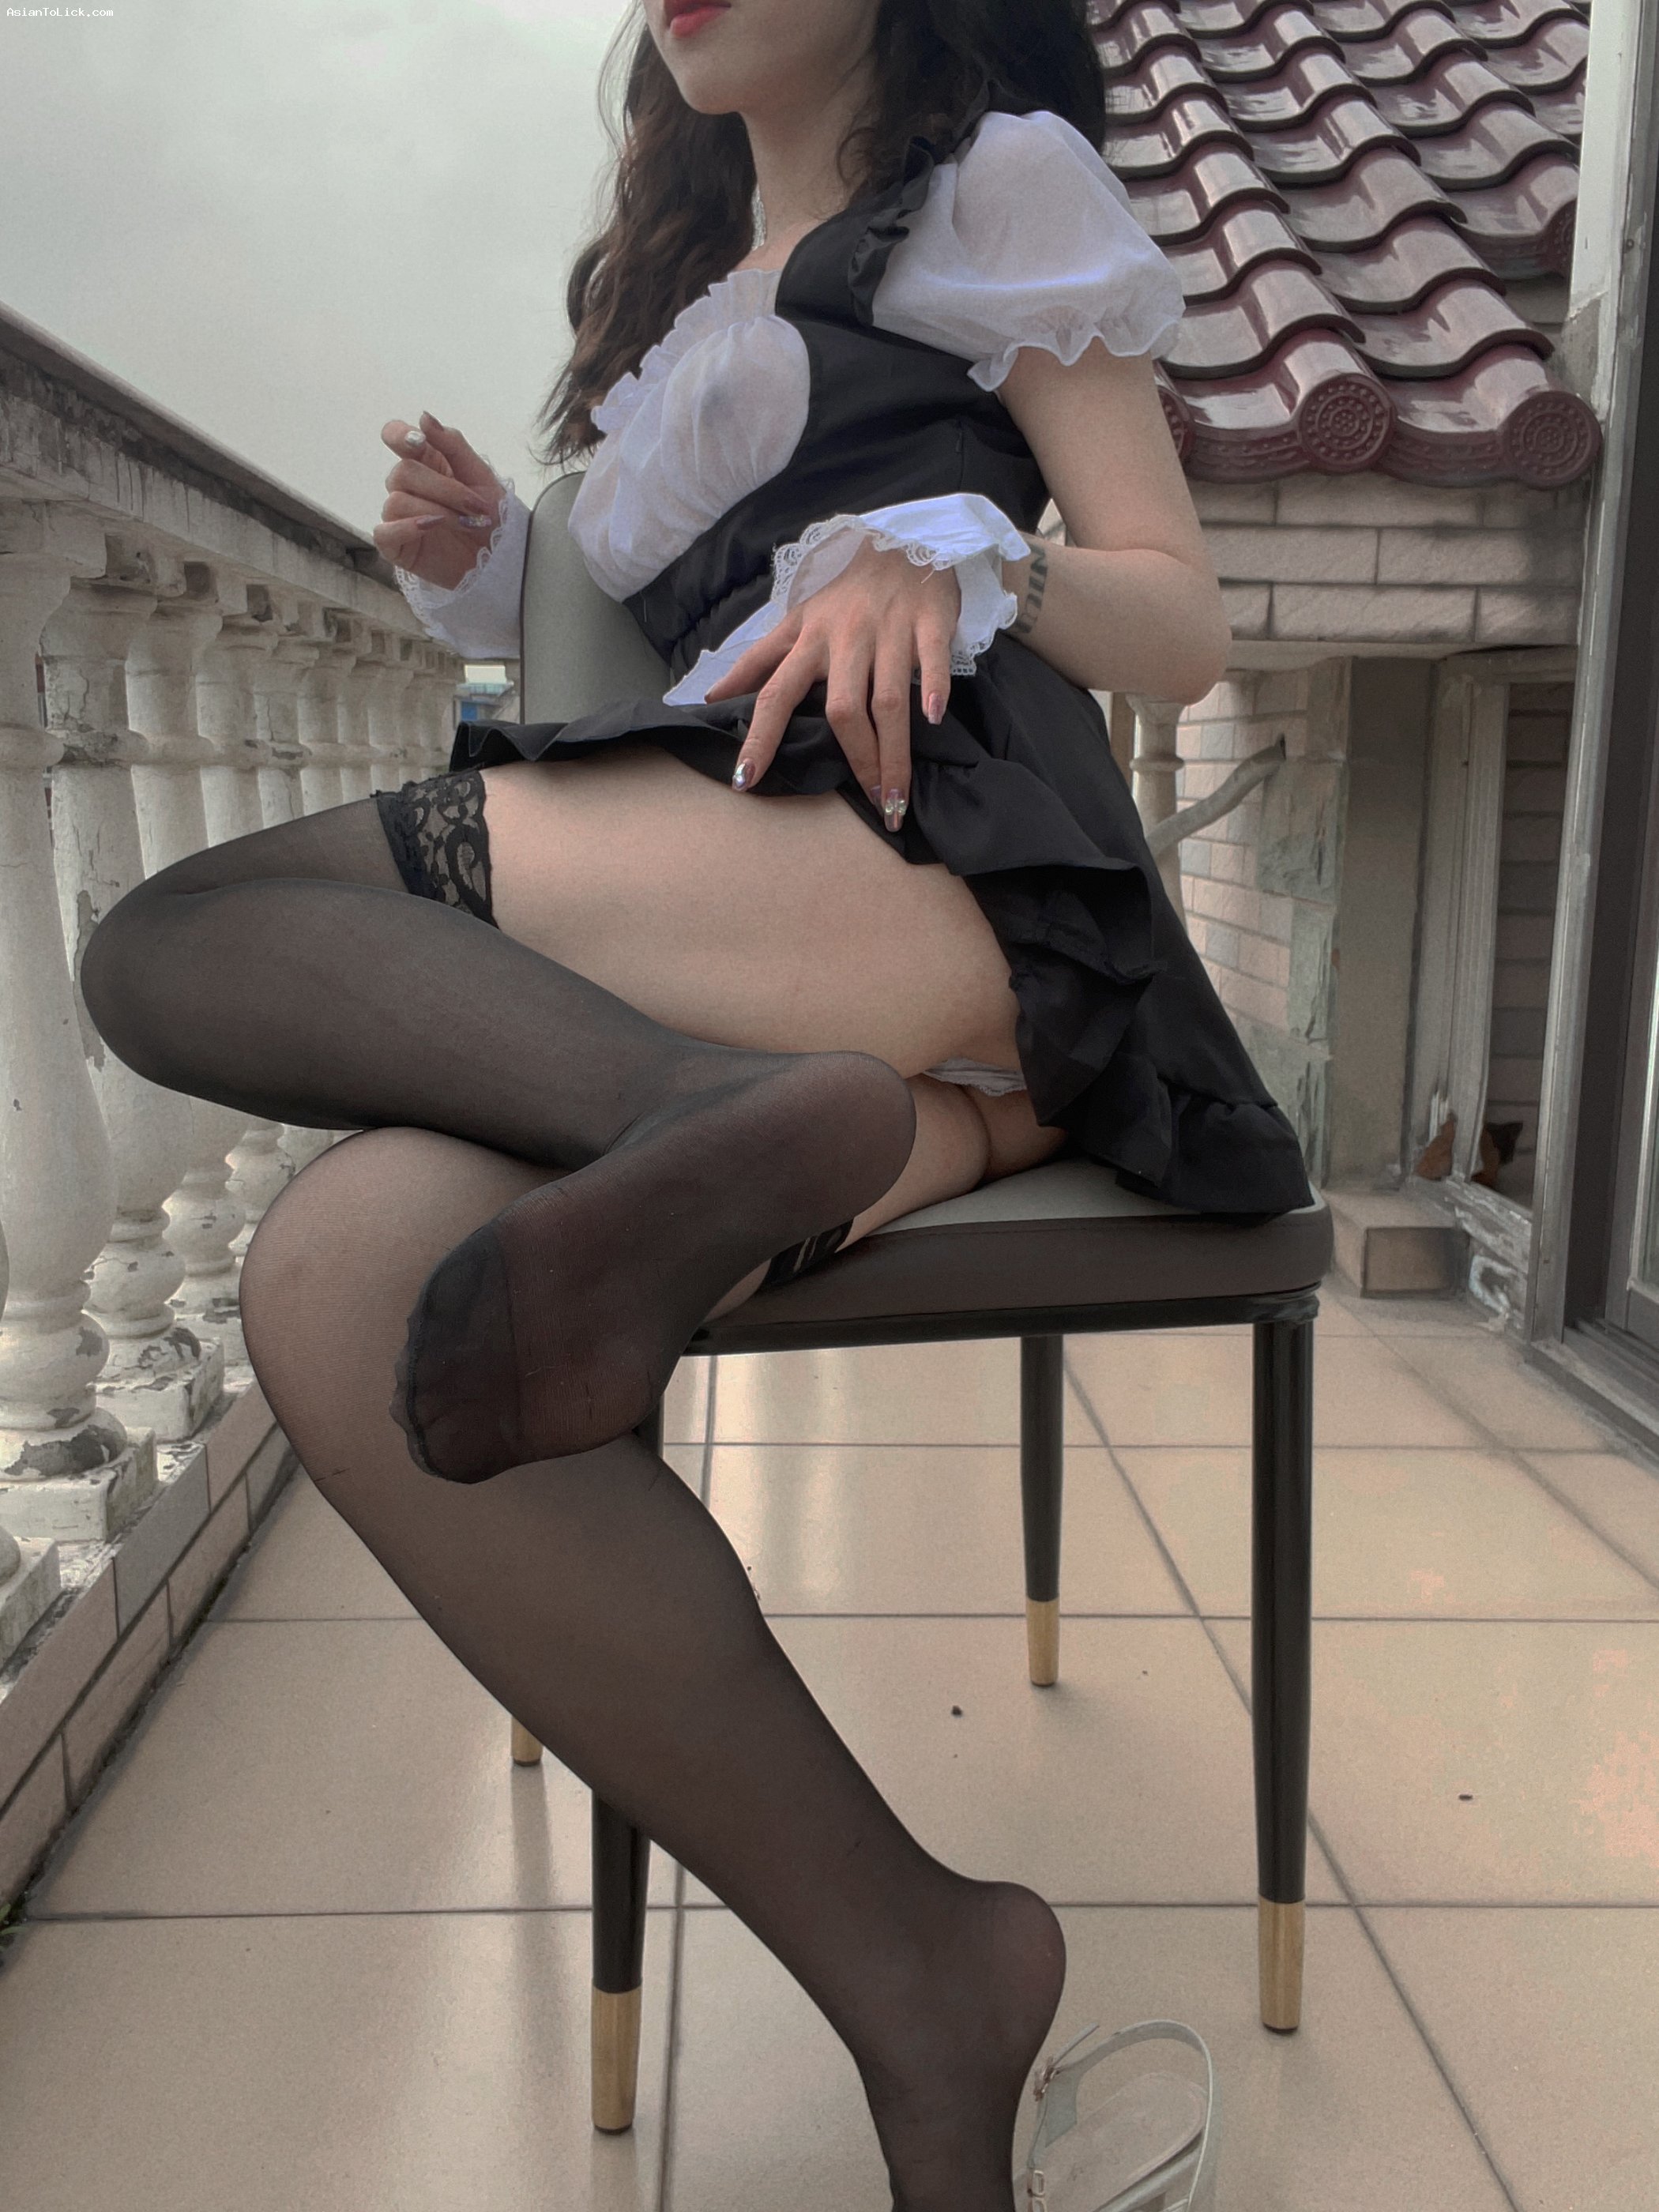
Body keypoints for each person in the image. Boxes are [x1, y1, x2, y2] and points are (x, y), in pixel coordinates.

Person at [80, 1, 1308, 2201]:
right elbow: (659, 683)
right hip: (744, 881)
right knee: (340, 1285)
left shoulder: (990, 185)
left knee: (170, 939)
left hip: (936, 845)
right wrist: (500, 569)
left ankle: (703, 1115)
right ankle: (926, 1976)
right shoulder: (684, 308)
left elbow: (1184, 621)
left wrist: (971, 552)